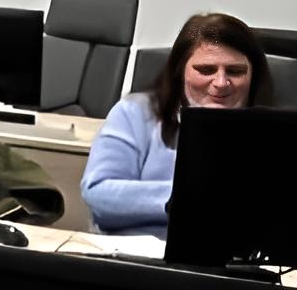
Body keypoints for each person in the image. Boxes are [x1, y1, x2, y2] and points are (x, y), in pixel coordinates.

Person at [81, 13, 270, 237]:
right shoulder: (134, 113)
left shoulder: (275, 130)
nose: (221, 82)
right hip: (140, 252)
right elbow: (99, 195)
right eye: (206, 70)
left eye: (235, 71)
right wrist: (190, 196)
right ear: (180, 71)